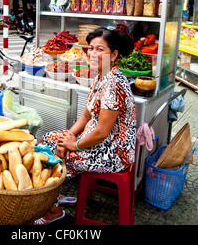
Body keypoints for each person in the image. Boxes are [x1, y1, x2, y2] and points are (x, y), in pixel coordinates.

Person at [37, 24, 137, 224]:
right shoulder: (101, 76)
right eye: (90, 48)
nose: (92, 53)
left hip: (114, 151)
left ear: (114, 54)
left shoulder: (113, 84)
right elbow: (85, 116)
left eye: (100, 49)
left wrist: (74, 145)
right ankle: (53, 195)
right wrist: (67, 137)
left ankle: (52, 208)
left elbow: (101, 132)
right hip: (95, 140)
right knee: (48, 141)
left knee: (56, 157)